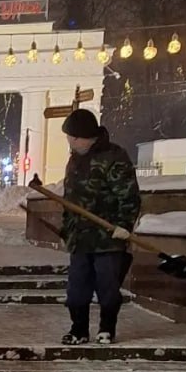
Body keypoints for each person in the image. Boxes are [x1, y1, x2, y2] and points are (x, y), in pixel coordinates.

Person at [58, 108, 140, 345]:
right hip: (80, 238)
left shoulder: (114, 157)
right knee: (76, 289)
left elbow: (128, 195)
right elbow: (70, 199)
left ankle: (106, 328)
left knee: (108, 287)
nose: (70, 142)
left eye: (72, 137)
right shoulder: (75, 159)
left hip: (108, 237)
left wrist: (124, 225)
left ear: (84, 136)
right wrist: (67, 229)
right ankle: (79, 329)